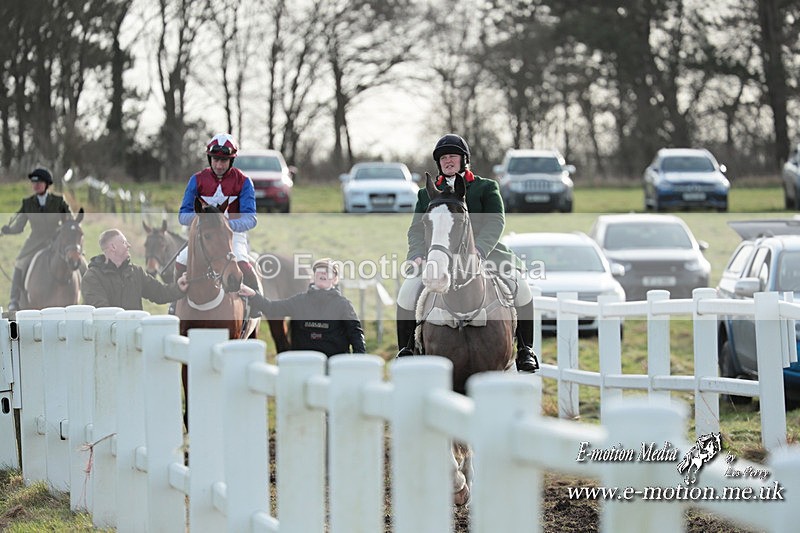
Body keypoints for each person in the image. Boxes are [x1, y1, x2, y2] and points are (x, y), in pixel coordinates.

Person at [395, 134, 539, 373]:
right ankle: (407, 349)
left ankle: (525, 349)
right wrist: (416, 254)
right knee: (407, 291)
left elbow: (496, 221)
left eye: (452, 156)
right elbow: (416, 230)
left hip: (486, 252)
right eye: (443, 158)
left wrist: (480, 250)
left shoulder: (485, 187)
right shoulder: (426, 194)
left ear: (464, 159)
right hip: (438, 256)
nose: (448, 161)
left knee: (520, 286)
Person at [176, 133, 260, 293]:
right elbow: (182, 215)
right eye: (215, 160)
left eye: (224, 161)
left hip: (233, 235)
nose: (219, 165)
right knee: (180, 262)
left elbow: (251, 218)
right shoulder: (196, 180)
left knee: (242, 262)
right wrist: (204, 221)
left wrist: (226, 225)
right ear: (209, 159)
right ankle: (175, 300)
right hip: (205, 235)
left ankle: (256, 301)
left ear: (231, 160)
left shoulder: (244, 181)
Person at [239, 258, 366, 356]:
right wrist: (253, 295)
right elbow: (272, 308)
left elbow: (355, 333)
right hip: (303, 364)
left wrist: (358, 360)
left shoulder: (343, 305)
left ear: (335, 279)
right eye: (319, 270)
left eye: (328, 271)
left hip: (333, 365)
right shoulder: (299, 301)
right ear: (313, 277)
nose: (323, 273)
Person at [1, 168, 74, 312]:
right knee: (20, 263)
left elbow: (70, 221)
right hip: (35, 242)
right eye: (33, 182)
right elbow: (19, 227)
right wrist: (6, 230)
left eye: (39, 182)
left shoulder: (59, 201)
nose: (35, 185)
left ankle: (82, 295)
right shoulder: (27, 203)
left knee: (80, 262)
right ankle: (14, 300)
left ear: (46, 184)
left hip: (56, 240)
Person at [81, 229, 189, 309]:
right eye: (124, 242)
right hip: (106, 337)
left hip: (134, 335)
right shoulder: (92, 277)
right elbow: (102, 312)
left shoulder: (136, 272)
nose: (129, 245)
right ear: (113, 247)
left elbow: (160, 292)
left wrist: (179, 288)